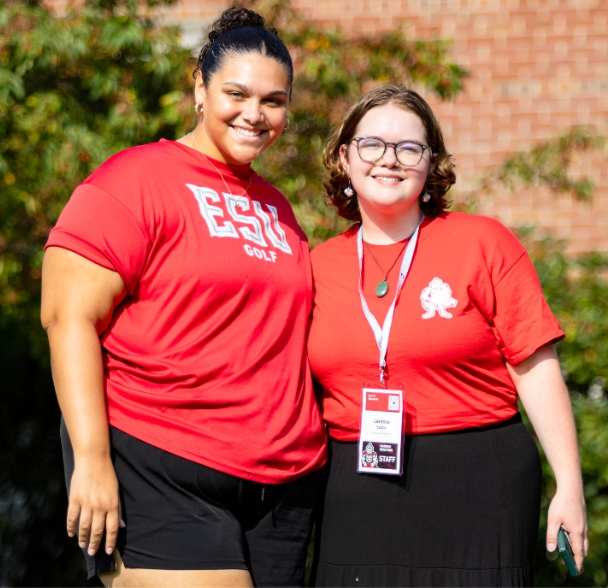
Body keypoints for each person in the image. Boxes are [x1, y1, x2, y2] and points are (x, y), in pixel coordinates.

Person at [40, 7, 327, 588]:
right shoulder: (133, 180)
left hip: (282, 486)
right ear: (200, 88)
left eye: (273, 101)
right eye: (236, 94)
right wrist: (91, 459)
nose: (255, 114)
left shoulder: (278, 207)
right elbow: (67, 317)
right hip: (163, 464)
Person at [307, 85, 587, 587]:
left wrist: (569, 484)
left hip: (479, 483)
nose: (389, 159)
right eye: (372, 144)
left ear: (431, 162)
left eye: (408, 147)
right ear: (345, 158)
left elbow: (534, 367)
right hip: (356, 488)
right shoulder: (314, 267)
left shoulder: (484, 243)